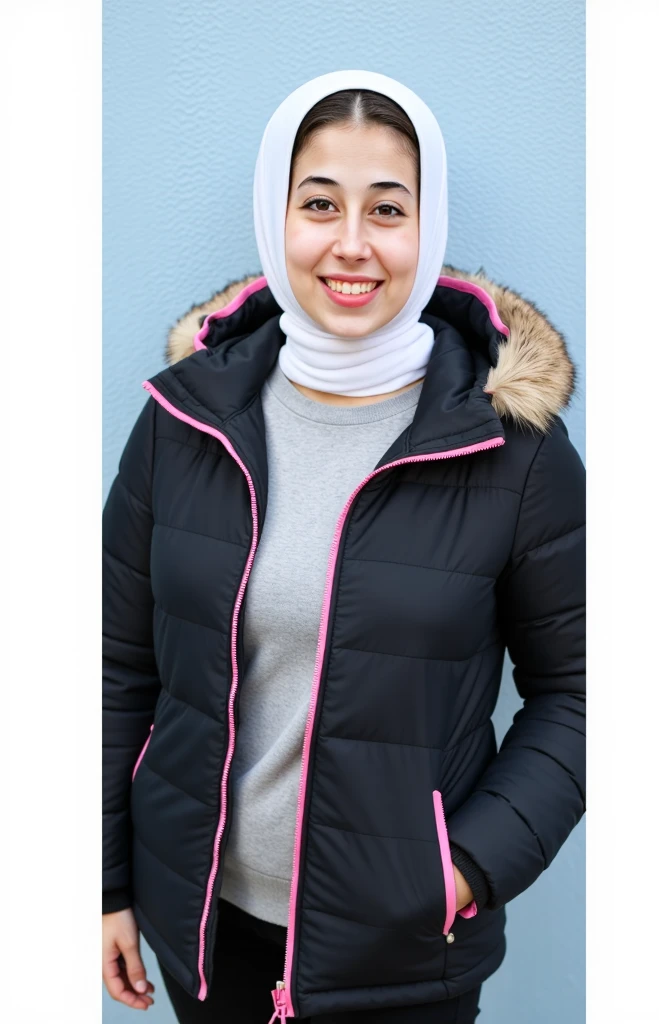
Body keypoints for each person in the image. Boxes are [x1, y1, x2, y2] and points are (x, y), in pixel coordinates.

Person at [102, 70, 586, 1024]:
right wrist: (106, 880)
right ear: (275, 218)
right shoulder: (184, 422)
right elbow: (117, 668)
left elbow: (585, 690)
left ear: (428, 225)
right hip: (203, 931)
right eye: (319, 203)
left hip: (404, 949)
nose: (352, 243)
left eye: (388, 208)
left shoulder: (513, 449)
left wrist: (464, 869)